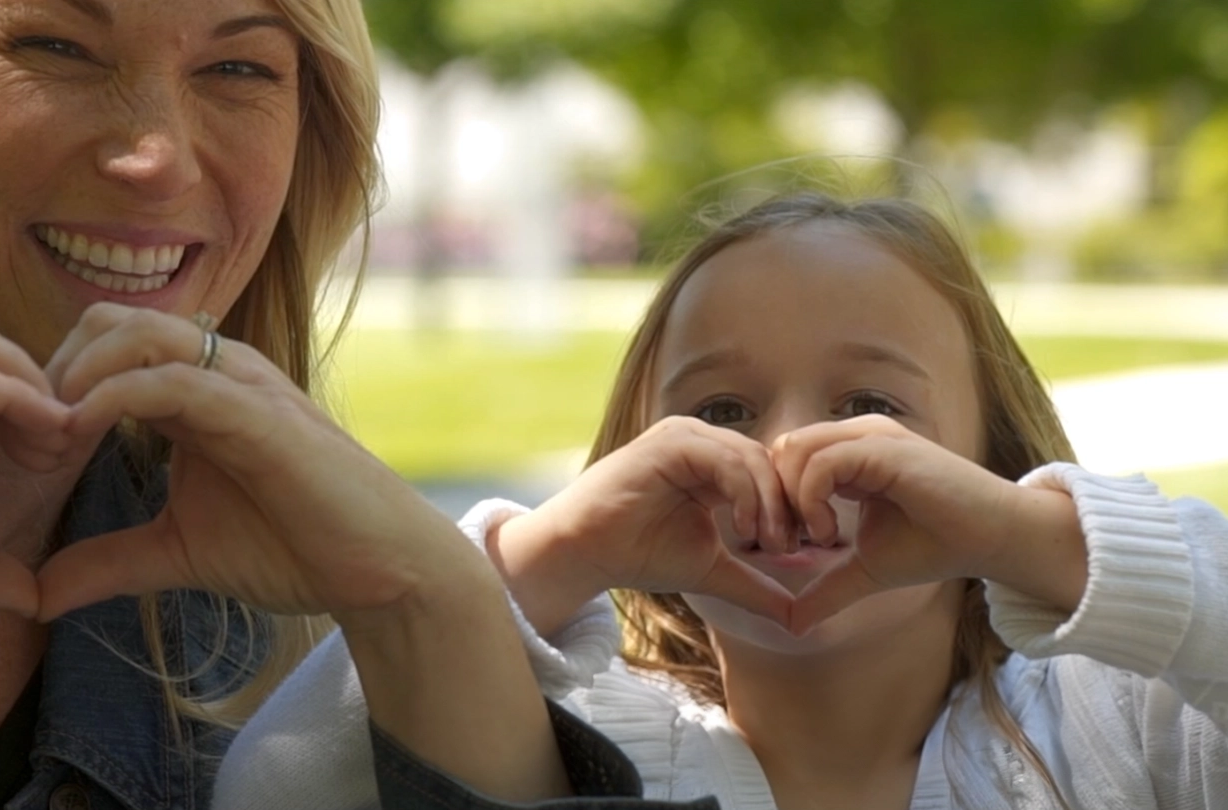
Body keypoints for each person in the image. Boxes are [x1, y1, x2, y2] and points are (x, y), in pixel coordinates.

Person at [0, 1, 725, 808]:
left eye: (237, 68)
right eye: (55, 44)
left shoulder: (256, 606)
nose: (155, 156)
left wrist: (431, 604)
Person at [213, 192, 1228, 809]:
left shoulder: (1124, 723)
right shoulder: (573, 740)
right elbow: (277, 788)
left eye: (870, 405)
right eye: (722, 408)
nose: (788, 452)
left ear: (987, 458)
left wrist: (1032, 537)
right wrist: (546, 558)